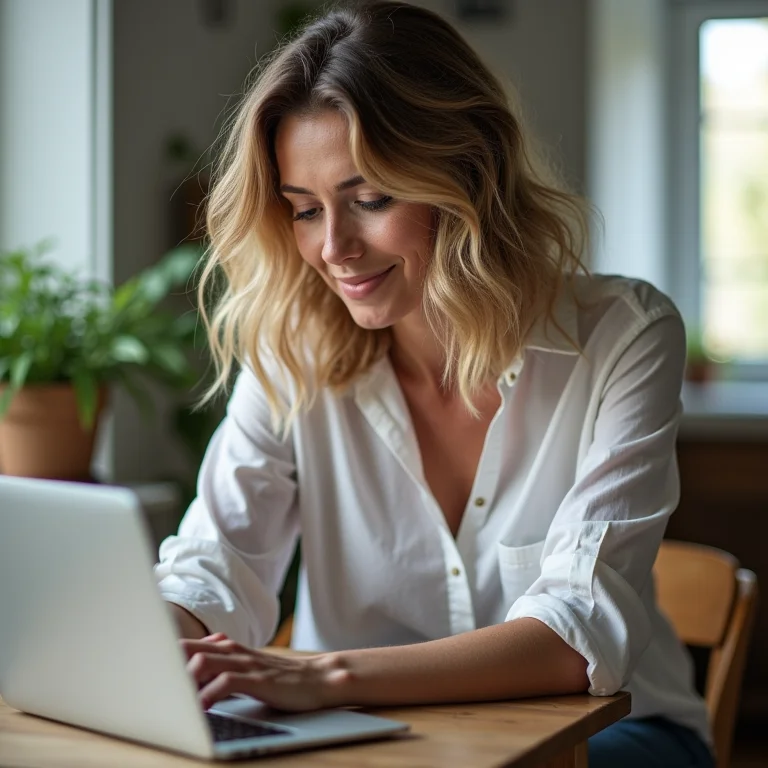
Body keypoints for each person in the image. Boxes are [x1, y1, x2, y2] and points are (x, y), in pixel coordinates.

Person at [154, 2, 714, 765]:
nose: (334, 249)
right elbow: (217, 564)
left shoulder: (624, 334)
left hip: (612, 735)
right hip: (367, 742)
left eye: (370, 200)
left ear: (467, 171)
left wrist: (326, 677)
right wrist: (145, 650)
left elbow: (574, 634)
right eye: (304, 210)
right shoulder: (294, 351)